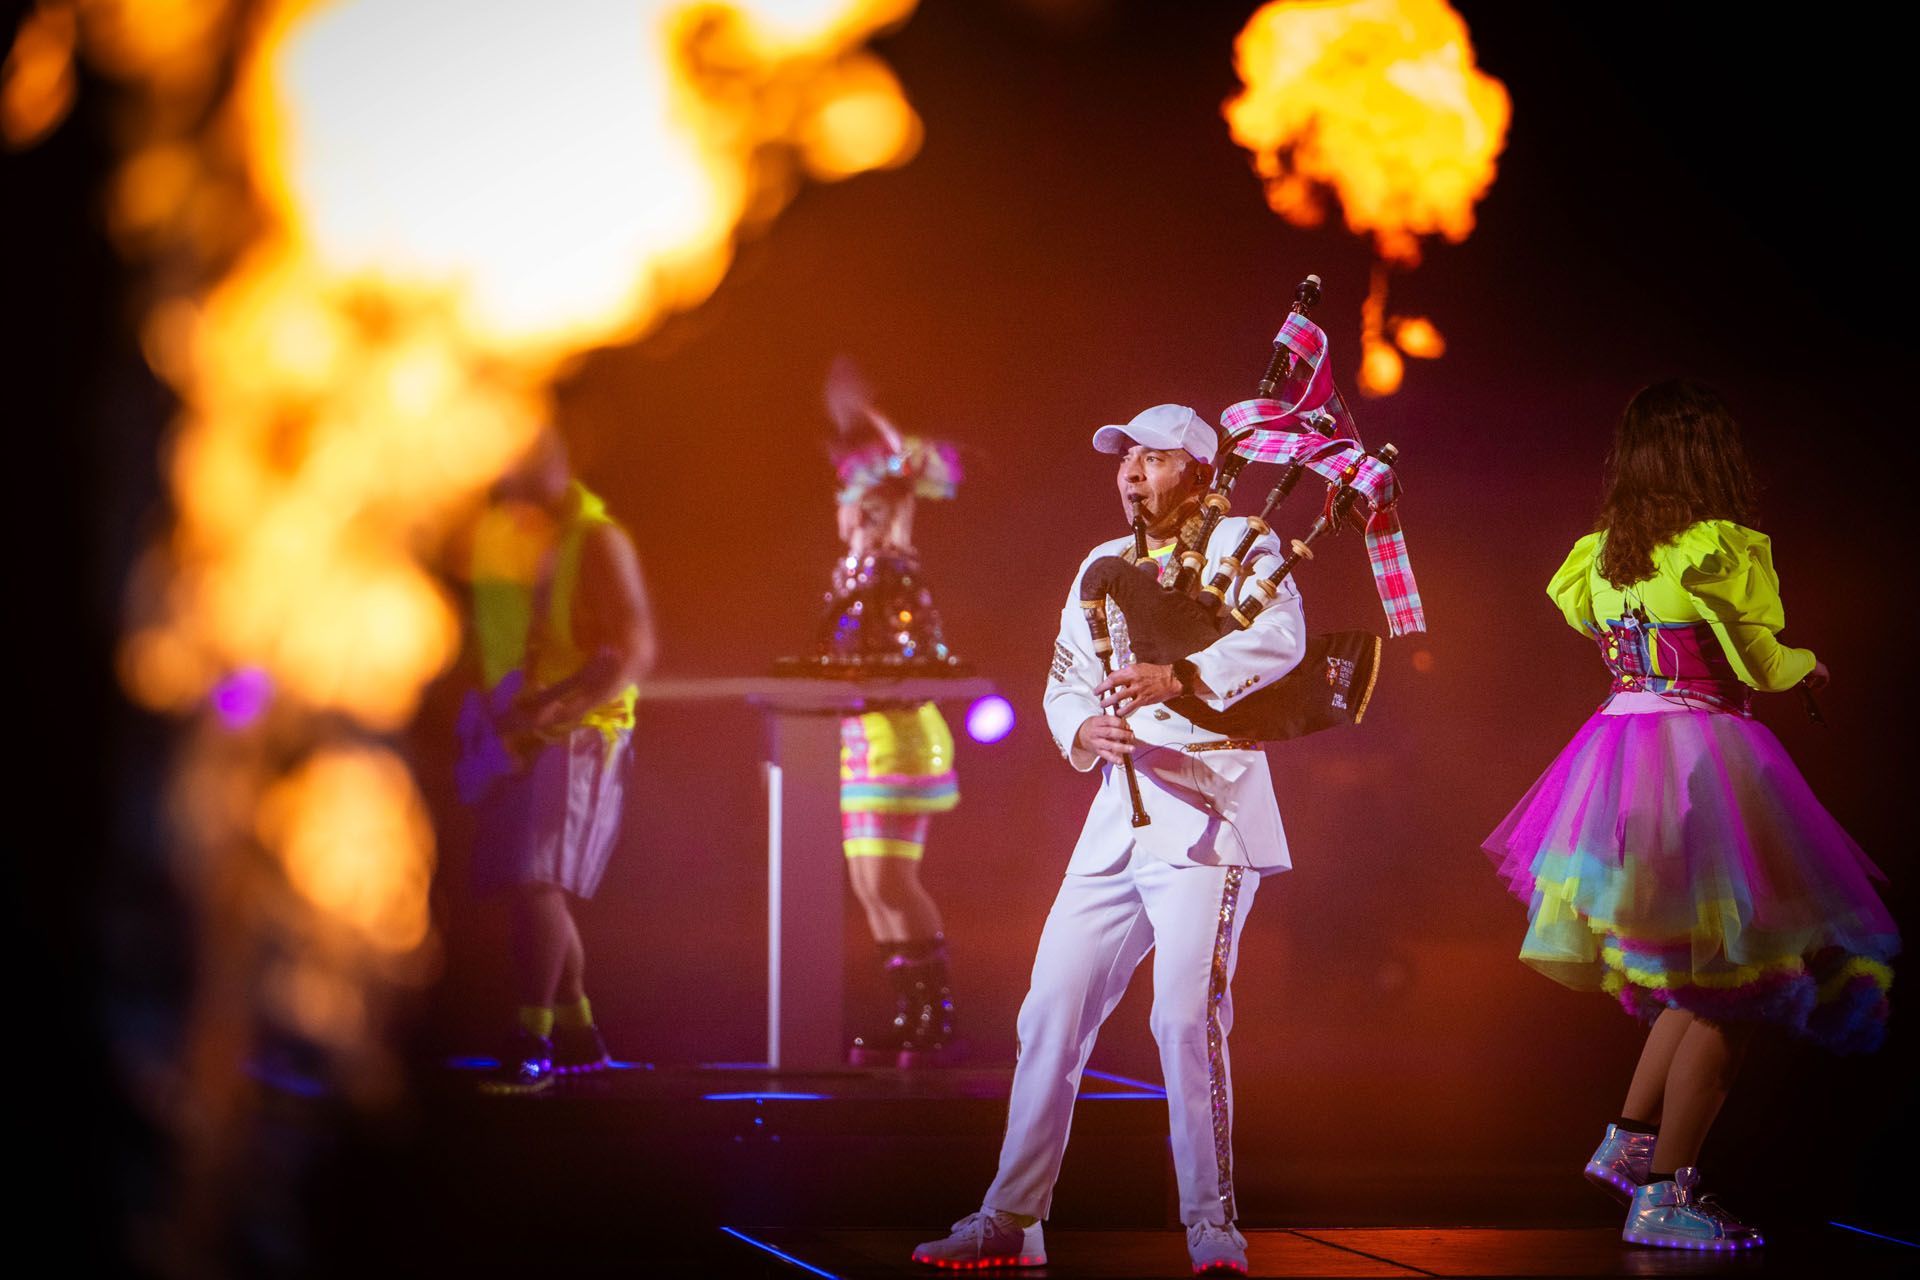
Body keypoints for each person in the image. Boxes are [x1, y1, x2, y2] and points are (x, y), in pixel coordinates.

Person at [1482, 380, 1898, 1249]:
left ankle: (1631, 1143)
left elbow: (1602, 636)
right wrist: (1809, 668)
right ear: (1708, 458)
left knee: (1700, 969)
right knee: (1736, 984)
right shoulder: (1714, 548)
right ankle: (1669, 1194)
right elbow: (1757, 657)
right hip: (1701, 761)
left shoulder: (1600, 556)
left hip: (1617, 759)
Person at [912, 403, 1302, 1276]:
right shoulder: (1100, 563)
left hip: (1208, 814)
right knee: (1048, 1010)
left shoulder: (1244, 544)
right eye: (1125, 458)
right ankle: (1013, 1218)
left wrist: (1181, 674)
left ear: (1197, 473)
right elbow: (1066, 678)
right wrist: (1082, 729)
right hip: (1117, 819)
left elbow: (1284, 638)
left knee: (1183, 1022)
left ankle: (1211, 1226)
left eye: (1153, 459)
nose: (1130, 471)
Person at [455, 427, 658, 1092]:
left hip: (580, 734)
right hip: (511, 730)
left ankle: (531, 1036)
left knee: (536, 879)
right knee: (528, 887)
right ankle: (577, 1029)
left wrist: (561, 712)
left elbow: (630, 649)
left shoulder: (597, 538)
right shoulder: (499, 532)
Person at [808, 366, 967, 1066]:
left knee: (890, 880)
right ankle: (911, 1011)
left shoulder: (892, 563)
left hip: (899, 734)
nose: (838, 512)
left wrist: (874, 418)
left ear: (869, 510)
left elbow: (914, 473)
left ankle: (934, 1012)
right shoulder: (849, 570)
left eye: (849, 501)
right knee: (869, 884)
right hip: (857, 736)